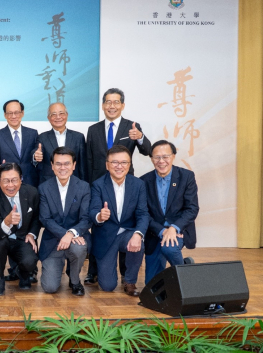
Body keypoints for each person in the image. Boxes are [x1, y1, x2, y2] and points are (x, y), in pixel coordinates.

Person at [84, 88, 152, 286]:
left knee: (125, 224)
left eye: (116, 102)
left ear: (122, 105)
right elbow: (89, 160)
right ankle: (93, 272)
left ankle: (127, 276)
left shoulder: (132, 126)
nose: (111, 106)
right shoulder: (93, 129)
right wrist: (89, 186)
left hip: (124, 184)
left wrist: (140, 136)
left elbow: (147, 150)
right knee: (101, 228)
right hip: (100, 185)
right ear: (103, 105)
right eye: (108, 102)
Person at [88, 145, 149, 296]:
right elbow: (92, 211)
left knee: (138, 242)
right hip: (106, 235)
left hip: (127, 232)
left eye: (124, 162)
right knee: (108, 286)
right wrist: (100, 216)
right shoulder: (98, 185)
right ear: (107, 165)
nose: (119, 166)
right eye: (115, 162)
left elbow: (143, 214)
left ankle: (130, 281)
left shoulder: (138, 185)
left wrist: (138, 234)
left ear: (129, 165)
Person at [140, 140, 199, 284]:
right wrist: (162, 231)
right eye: (157, 157)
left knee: (169, 248)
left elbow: (192, 208)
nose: (161, 161)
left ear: (173, 156)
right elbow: (143, 213)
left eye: (165, 156)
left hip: (179, 230)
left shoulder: (186, 177)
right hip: (155, 233)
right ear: (152, 159)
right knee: (152, 286)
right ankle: (184, 266)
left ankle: (186, 280)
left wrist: (174, 228)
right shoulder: (143, 181)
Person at [38, 147, 91, 296]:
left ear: (74, 165)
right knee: (49, 288)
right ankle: (57, 266)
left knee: (79, 248)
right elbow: (45, 219)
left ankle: (74, 280)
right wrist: (65, 234)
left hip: (75, 239)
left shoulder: (83, 187)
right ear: (52, 166)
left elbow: (86, 218)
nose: (63, 168)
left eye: (67, 163)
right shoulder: (44, 188)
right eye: (58, 164)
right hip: (53, 242)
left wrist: (71, 234)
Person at [0, 162, 41, 296]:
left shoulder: (32, 192)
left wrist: (32, 234)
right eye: (6, 181)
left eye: (14, 180)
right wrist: (7, 221)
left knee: (30, 261)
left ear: (21, 179)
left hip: (21, 237)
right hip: (0, 237)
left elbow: (37, 217)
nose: (10, 185)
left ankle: (22, 272)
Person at [0, 99, 39, 187]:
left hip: (30, 184)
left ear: (22, 113)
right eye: (10, 113)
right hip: (7, 185)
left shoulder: (33, 133)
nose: (13, 116)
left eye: (16, 112)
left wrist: (36, 157)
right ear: (5, 115)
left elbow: (35, 157)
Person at [34, 102, 87, 183]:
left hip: (74, 183)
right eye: (53, 114)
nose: (58, 117)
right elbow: (35, 152)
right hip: (49, 184)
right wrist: (35, 156)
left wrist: (84, 184)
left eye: (61, 113)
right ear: (48, 118)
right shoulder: (42, 137)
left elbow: (82, 166)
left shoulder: (78, 137)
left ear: (67, 115)